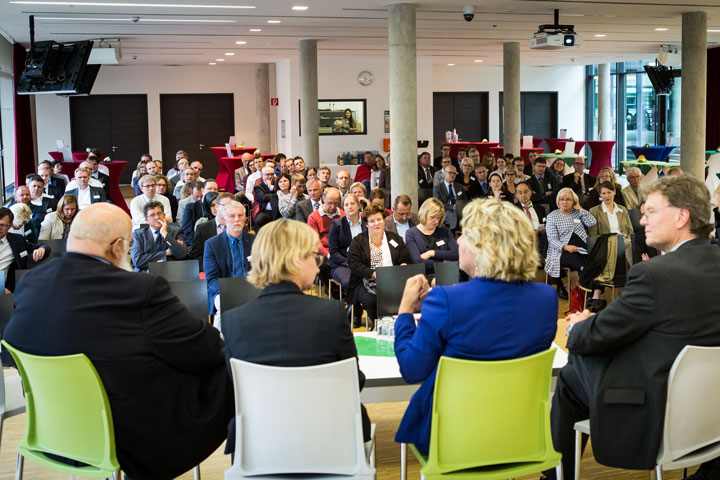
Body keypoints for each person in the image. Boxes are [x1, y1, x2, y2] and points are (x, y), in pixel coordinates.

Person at [3, 203, 232, 479]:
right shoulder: (139, 290)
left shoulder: (31, 282)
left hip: (57, 433)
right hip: (131, 439)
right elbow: (208, 349)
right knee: (231, 369)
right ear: (117, 247)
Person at [546, 175, 720, 480]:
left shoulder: (653, 275)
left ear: (682, 216)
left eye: (651, 211)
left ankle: (556, 476)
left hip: (660, 415)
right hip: (709, 417)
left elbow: (597, 335)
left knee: (574, 371)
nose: (642, 220)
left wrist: (579, 327)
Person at [394, 198, 557, 454]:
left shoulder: (447, 300)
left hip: (453, 440)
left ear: (484, 247)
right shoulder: (547, 299)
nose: (458, 241)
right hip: (518, 437)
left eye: (465, 235)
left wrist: (405, 310)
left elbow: (412, 370)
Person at [220, 218, 371, 453]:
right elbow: (354, 382)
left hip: (257, 451)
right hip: (329, 445)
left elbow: (234, 392)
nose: (318, 265)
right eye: (314, 256)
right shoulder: (330, 314)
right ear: (296, 260)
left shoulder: (232, 322)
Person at [348, 205, 411, 327]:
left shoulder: (395, 238)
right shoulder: (358, 241)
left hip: (394, 280)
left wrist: (403, 265)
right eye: (372, 221)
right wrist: (374, 274)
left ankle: (399, 326)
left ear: (384, 221)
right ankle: (378, 326)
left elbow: (405, 258)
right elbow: (354, 265)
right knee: (372, 301)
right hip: (366, 281)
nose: (376, 223)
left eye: (379, 220)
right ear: (366, 224)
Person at [585, 181, 634, 311]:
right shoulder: (594, 211)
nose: (606, 196)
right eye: (603, 193)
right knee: (617, 247)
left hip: (624, 244)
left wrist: (627, 239)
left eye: (609, 192)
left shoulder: (622, 210)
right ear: (600, 195)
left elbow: (629, 231)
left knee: (630, 246)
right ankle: (626, 295)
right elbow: (593, 235)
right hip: (604, 245)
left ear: (615, 192)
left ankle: (618, 295)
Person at [544, 187, 597, 299]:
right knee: (583, 266)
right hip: (563, 251)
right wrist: (566, 247)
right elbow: (552, 240)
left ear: (574, 201)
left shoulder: (577, 213)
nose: (565, 202)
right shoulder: (552, 216)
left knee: (595, 264)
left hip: (583, 248)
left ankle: (592, 295)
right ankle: (589, 296)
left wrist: (580, 209)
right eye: (562, 199)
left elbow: (592, 222)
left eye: (568, 199)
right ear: (558, 201)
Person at [203, 201, 254, 313]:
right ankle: (220, 331)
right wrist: (229, 293)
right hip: (223, 291)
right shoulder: (212, 244)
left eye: (240, 215)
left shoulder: (255, 241)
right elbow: (211, 278)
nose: (237, 219)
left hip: (251, 289)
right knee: (224, 304)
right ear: (225, 219)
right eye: (232, 216)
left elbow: (263, 270)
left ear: (245, 218)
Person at [405, 198, 458, 275]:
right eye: (433, 217)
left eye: (438, 218)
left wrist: (432, 253)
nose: (436, 221)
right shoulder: (411, 233)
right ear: (424, 213)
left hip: (447, 273)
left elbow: (456, 254)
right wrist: (443, 261)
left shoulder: (445, 232)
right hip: (424, 276)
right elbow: (417, 262)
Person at [131, 201, 188, 272]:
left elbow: (182, 254)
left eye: (159, 213)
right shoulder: (138, 235)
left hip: (171, 272)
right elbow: (138, 261)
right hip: (145, 274)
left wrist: (165, 234)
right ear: (147, 220)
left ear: (164, 215)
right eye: (152, 215)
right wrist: (165, 253)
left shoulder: (176, 231)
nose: (157, 217)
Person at [328, 193, 366, 293]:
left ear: (358, 205)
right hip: (343, 264)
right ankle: (352, 306)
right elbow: (333, 252)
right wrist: (350, 263)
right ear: (343, 208)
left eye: (352, 203)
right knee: (349, 282)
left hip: (365, 263)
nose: (350, 207)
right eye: (346, 204)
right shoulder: (337, 224)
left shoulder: (367, 223)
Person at [190, 192, 234, 271]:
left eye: (231, 206)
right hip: (210, 271)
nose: (229, 209)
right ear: (217, 206)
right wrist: (208, 269)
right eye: (225, 206)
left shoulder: (238, 228)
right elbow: (196, 256)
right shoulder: (202, 229)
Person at [308, 187, 345, 262]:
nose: (333, 207)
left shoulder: (343, 214)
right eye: (330, 203)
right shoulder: (313, 217)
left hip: (340, 252)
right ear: (323, 198)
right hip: (321, 253)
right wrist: (327, 254)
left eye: (335, 203)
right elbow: (315, 242)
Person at [516, 181, 548, 257]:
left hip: (540, 237)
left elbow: (545, 223)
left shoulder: (540, 208)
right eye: (520, 193)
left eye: (526, 192)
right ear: (517, 195)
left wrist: (544, 229)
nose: (523, 195)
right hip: (524, 239)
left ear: (530, 192)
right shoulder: (513, 210)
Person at [433, 165, 466, 231]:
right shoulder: (438, 188)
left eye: (454, 173)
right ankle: (453, 234)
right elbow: (438, 204)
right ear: (445, 173)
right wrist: (452, 207)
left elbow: (464, 200)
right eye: (450, 173)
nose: (452, 175)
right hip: (446, 211)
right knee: (453, 215)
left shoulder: (459, 186)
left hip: (460, 210)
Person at [253, 166, 281, 231]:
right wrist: (275, 195)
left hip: (278, 210)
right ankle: (258, 240)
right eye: (267, 174)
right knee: (258, 221)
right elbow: (263, 197)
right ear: (262, 175)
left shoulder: (278, 184)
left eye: (272, 174)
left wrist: (271, 187)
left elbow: (281, 194)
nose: (270, 176)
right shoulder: (258, 187)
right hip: (265, 212)